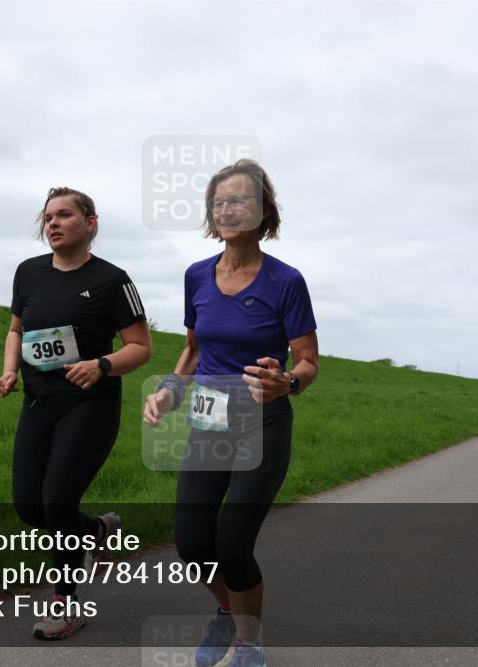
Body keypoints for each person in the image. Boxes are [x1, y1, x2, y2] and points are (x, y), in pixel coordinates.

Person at [143, 160, 319, 667]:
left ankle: (248, 640)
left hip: (262, 424)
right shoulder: (197, 275)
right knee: (193, 543)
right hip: (209, 421)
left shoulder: (286, 281)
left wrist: (286, 382)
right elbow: (194, 350)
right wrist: (170, 390)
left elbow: (307, 360)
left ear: (264, 212)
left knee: (234, 543)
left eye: (239, 199)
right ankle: (227, 610)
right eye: (219, 201)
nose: (227, 207)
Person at [0, 186, 152, 639]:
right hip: (39, 401)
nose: (53, 223)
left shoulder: (112, 279)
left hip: (90, 405)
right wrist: (10, 371)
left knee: (58, 500)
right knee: (30, 506)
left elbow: (141, 348)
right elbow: (15, 330)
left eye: (64, 215)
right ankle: (96, 531)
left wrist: (101, 365)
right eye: (48, 217)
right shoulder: (28, 273)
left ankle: (66, 604)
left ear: (90, 223)